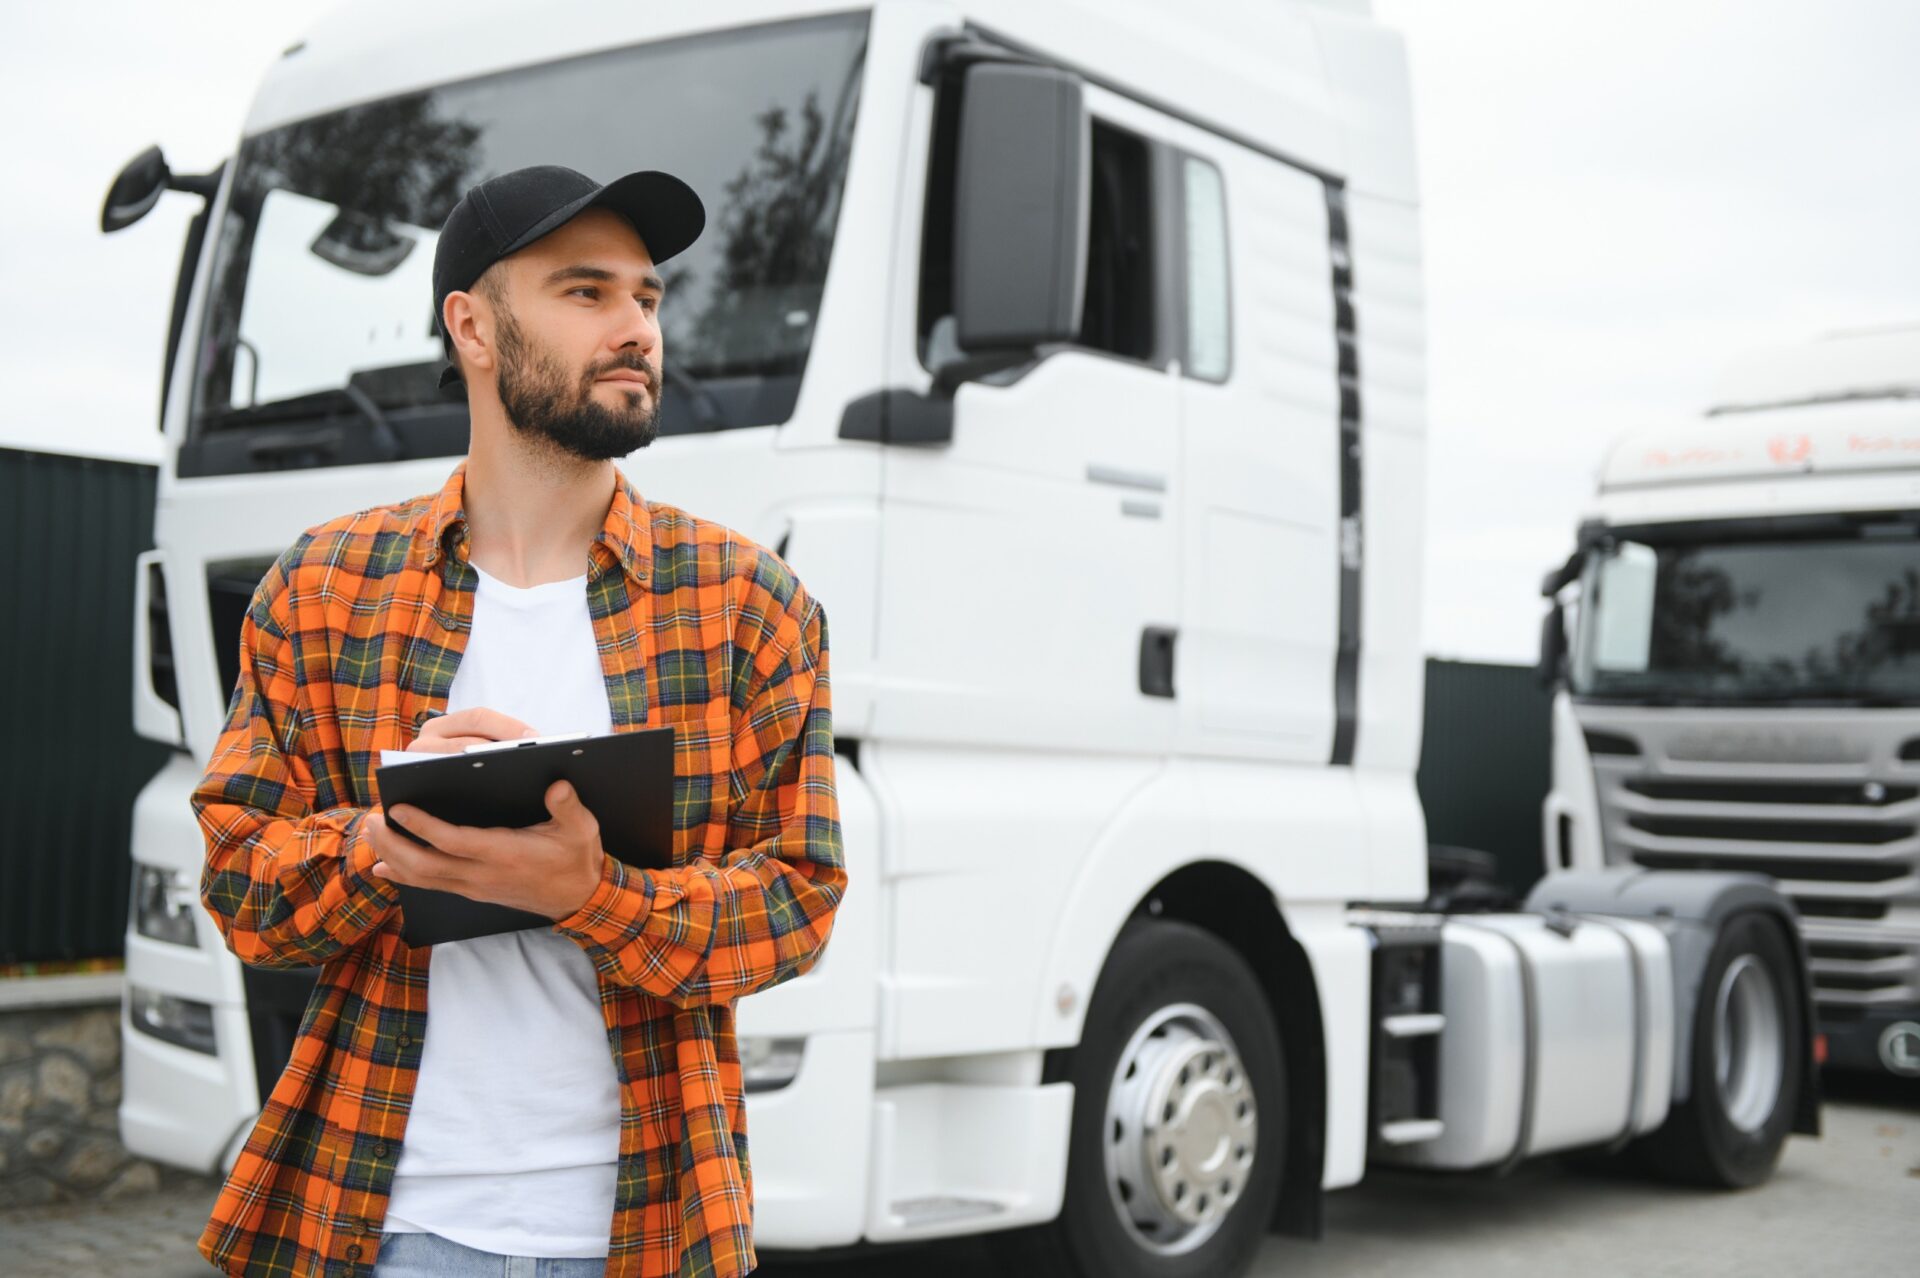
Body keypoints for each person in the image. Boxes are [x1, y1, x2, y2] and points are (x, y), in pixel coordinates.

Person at [192, 165, 846, 1278]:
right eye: (585, 293)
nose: (636, 326)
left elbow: (797, 904)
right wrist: (379, 847)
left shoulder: (747, 604)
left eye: (646, 296)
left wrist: (593, 896)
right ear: (474, 326)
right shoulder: (324, 589)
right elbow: (245, 890)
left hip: (647, 1230)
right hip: (390, 1223)